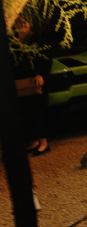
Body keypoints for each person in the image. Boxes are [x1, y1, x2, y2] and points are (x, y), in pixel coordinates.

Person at [12, 16, 51, 157]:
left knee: (38, 111)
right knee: (26, 112)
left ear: (30, 25)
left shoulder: (37, 40)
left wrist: (41, 74)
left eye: (24, 22)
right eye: (19, 23)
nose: (22, 25)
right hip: (21, 84)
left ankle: (43, 143)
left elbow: (45, 58)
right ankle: (33, 141)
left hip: (35, 82)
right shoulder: (14, 42)